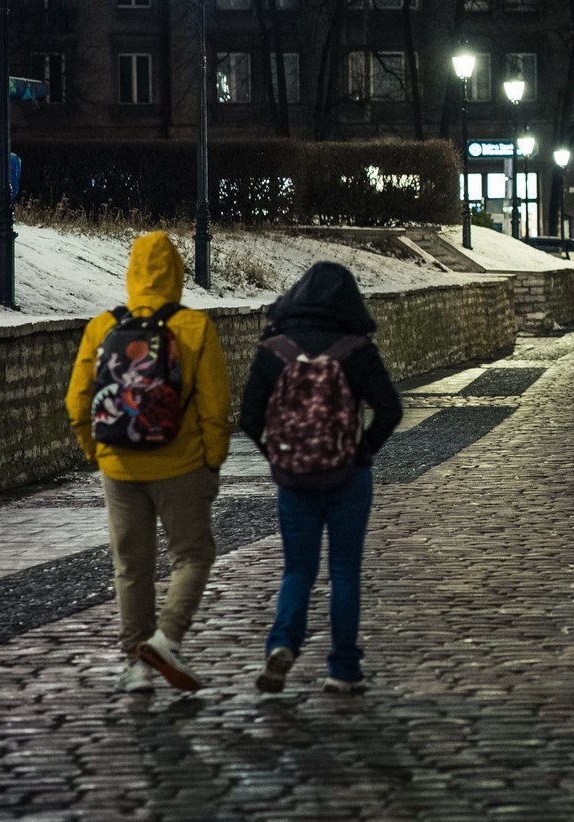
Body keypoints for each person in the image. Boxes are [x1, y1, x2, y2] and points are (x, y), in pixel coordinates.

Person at [65, 232, 232, 694]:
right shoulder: (195, 327)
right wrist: (211, 463)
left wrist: (98, 453)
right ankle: (167, 639)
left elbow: (78, 401)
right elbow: (215, 408)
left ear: (132, 274)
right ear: (177, 273)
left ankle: (136, 664)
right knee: (194, 556)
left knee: (131, 566)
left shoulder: (102, 328)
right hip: (181, 464)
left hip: (119, 466)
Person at [239, 262, 403, 694]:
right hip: (348, 476)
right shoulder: (357, 349)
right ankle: (343, 668)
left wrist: (279, 457)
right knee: (345, 571)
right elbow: (390, 409)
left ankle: (281, 644)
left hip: (295, 479)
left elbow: (249, 417)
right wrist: (361, 451)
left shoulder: (275, 349)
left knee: (298, 569)